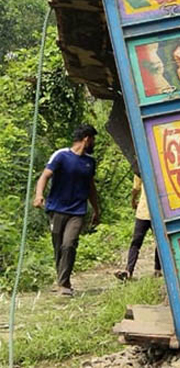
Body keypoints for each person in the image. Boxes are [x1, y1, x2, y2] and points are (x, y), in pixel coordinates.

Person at [33, 124, 100, 297]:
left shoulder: (90, 162)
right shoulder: (61, 155)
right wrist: (39, 195)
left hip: (77, 211)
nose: (93, 143)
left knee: (69, 244)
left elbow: (91, 187)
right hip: (56, 209)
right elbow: (45, 176)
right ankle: (63, 280)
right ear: (86, 138)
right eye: (93, 139)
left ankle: (63, 284)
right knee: (58, 247)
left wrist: (96, 210)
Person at [115, 176, 161, 281]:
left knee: (136, 243)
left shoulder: (140, 169)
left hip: (143, 212)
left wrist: (133, 201)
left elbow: (135, 189)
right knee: (159, 241)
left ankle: (129, 270)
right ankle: (157, 270)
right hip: (157, 212)